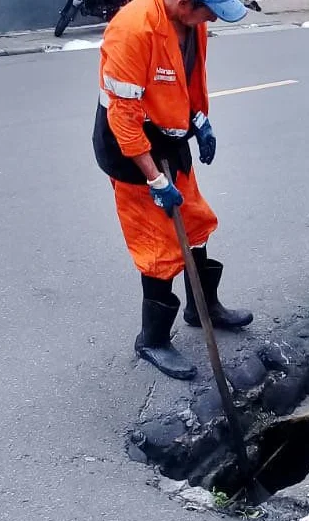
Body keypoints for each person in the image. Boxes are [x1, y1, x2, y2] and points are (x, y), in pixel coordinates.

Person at [92, 0, 254, 381]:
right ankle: (152, 338)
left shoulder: (192, 24)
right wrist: (154, 178)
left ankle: (202, 307)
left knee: (195, 221)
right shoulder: (134, 28)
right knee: (158, 245)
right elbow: (123, 117)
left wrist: (200, 121)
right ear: (185, 2)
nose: (213, 20)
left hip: (170, 136)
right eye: (210, 11)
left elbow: (190, 79)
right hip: (128, 149)